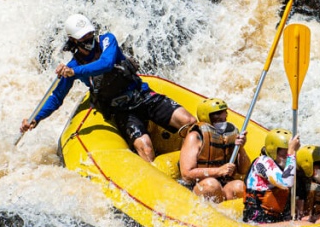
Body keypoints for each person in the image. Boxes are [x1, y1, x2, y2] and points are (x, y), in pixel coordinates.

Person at [19, 14, 197, 162]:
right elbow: (57, 97)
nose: (89, 39)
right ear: (73, 41)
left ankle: (200, 160)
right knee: (145, 147)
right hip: (123, 112)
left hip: (143, 96)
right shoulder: (74, 65)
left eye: (90, 34)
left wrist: (74, 71)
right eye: (83, 38)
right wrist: (37, 118)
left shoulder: (106, 41)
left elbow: (106, 64)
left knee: (188, 121)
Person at [179, 98, 250, 202]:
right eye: (217, 114)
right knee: (212, 185)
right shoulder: (195, 137)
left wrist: (240, 148)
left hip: (222, 185)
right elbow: (187, 174)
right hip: (199, 185)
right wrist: (218, 171)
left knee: (239, 186)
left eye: (224, 113)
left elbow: (244, 170)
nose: (222, 117)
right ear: (206, 116)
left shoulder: (231, 135)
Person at [243, 128, 303, 225]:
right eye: (284, 153)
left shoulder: (285, 165)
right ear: (273, 150)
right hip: (257, 221)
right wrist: (291, 152)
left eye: (288, 152)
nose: (287, 156)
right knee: (303, 226)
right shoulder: (262, 161)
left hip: (276, 220)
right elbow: (286, 183)